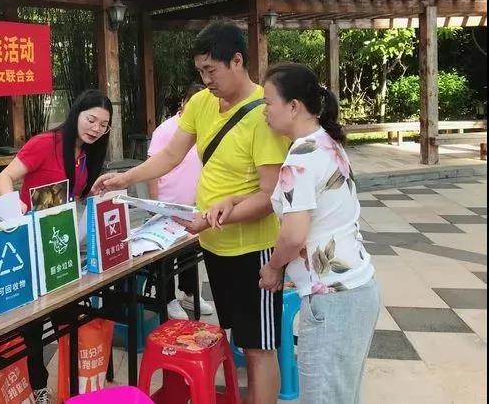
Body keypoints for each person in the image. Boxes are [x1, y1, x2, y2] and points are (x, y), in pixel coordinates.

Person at [93, 21, 289, 404]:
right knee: (236, 337)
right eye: (200, 72)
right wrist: (125, 178)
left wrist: (214, 217)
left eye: (211, 70)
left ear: (237, 61)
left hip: (255, 252)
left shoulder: (265, 114)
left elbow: (270, 196)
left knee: (258, 348)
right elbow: (170, 154)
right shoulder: (201, 104)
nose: (206, 80)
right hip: (215, 246)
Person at [251, 63, 378, 404]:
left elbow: (294, 235)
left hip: (333, 301)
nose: (264, 111)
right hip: (357, 290)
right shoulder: (326, 141)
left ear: (293, 106)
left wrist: (273, 268)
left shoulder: (301, 157)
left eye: (268, 102)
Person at [0, 89, 113, 404]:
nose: (96, 129)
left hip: (59, 245)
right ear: (76, 113)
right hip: (28, 244)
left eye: (103, 125)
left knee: (68, 314)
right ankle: (39, 387)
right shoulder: (46, 143)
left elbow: (74, 195)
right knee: (33, 324)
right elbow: (4, 178)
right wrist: (13, 208)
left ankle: (75, 383)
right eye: (91, 120)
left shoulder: (87, 154)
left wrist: (96, 193)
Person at [147, 82, 214, 320]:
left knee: (189, 254)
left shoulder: (205, 127)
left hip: (193, 204)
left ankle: (190, 294)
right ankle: (168, 299)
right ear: (183, 103)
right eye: (193, 102)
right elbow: (153, 167)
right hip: (167, 205)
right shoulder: (166, 130)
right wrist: (155, 203)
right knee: (166, 256)